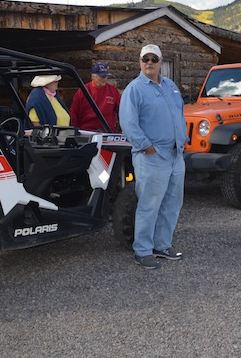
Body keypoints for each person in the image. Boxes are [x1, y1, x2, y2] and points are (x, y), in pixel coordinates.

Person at [119, 44, 188, 270]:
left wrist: (183, 139)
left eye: (154, 58)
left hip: (176, 155)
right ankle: (143, 250)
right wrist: (147, 147)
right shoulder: (134, 89)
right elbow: (129, 123)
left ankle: (162, 245)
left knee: (172, 203)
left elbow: (179, 114)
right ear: (140, 62)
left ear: (160, 61)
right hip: (152, 157)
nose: (149, 62)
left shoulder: (170, 86)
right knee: (149, 205)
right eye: (145, 58)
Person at [69, 62, 121, 131]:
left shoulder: (113, 91)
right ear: (93, 76)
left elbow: (121, 111)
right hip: (86, 131)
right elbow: (74, 112)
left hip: (107, 132)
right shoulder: (83, 90)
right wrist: (74, 130)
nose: (104, 79)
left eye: (106, 76)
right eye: (102, 76)